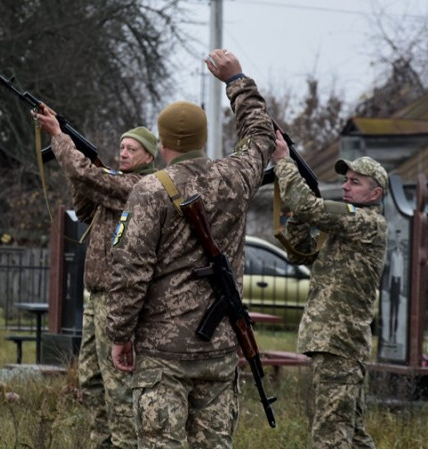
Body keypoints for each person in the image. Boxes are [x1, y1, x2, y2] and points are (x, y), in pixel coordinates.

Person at [106, 49, 275, 448]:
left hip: (163, 352)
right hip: (217, 349)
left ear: (162, 142)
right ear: (203, 138)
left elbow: (131, 272)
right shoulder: (236, 177)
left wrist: (120, 334)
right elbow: (261, 136)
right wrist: (237, 80)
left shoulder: (149, 191)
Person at [35, 104, 158, 448]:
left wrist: (60, 139)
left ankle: (123, 443)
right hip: (96, 299)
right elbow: (86, 206)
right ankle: (100, 441)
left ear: (149, 157)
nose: (123, 152)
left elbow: (90, 178)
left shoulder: (140, 186)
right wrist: (79, 170)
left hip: (118, 299)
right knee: (90, 378)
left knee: (117, 384)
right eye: (121, 147)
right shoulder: (114, 183)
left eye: (132, 149)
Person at [272, 137, 387, 449]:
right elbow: (301, 253)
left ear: (375, 194)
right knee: (352, 433)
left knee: (329, 437)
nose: (346, 187)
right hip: (333, 344)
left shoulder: (364, 221)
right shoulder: (344, 227)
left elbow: (310, 206)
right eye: (346, 180)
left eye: (356, 182)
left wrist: (284, 159)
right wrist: (299, 216)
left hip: (340, 344)